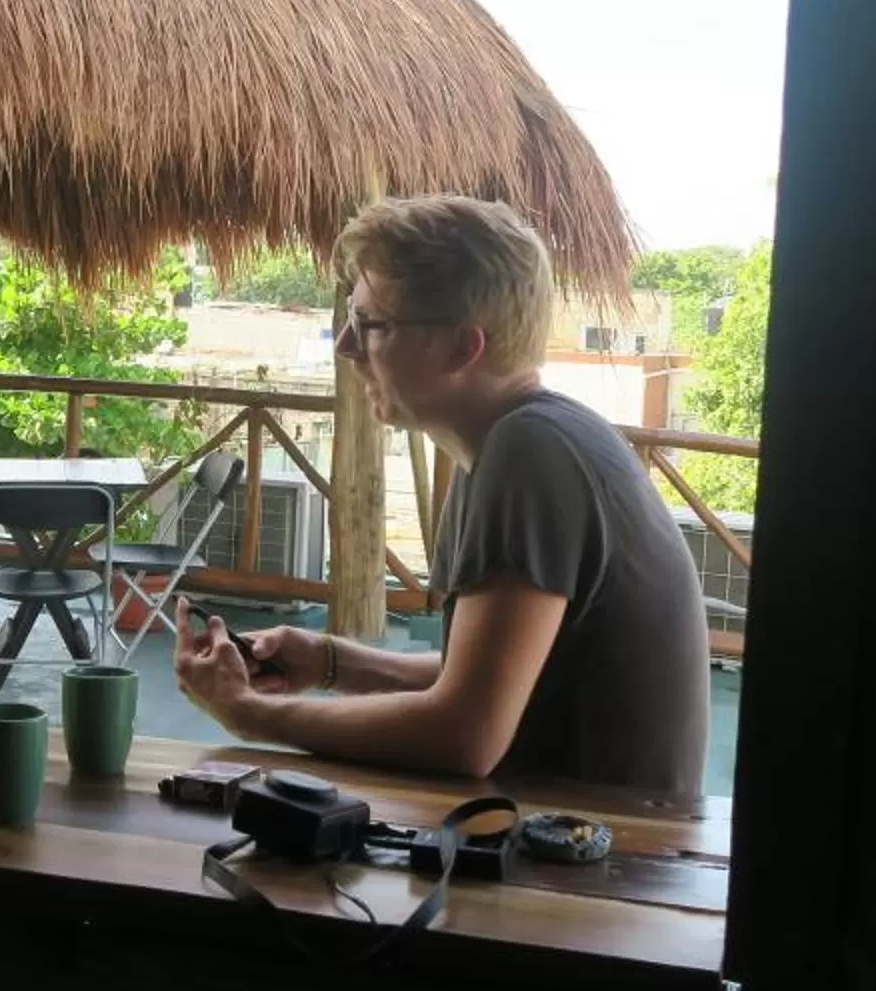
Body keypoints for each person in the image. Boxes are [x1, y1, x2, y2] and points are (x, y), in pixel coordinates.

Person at [172, 194, 711, 794]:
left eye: (373, 324)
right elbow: (483, 680)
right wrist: (330, 660)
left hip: (599, 863)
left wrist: (250, 713)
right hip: (585, 843)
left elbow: (465, 734)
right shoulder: (512, 445)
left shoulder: (531, 454)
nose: (347, 347)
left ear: (463, 347)